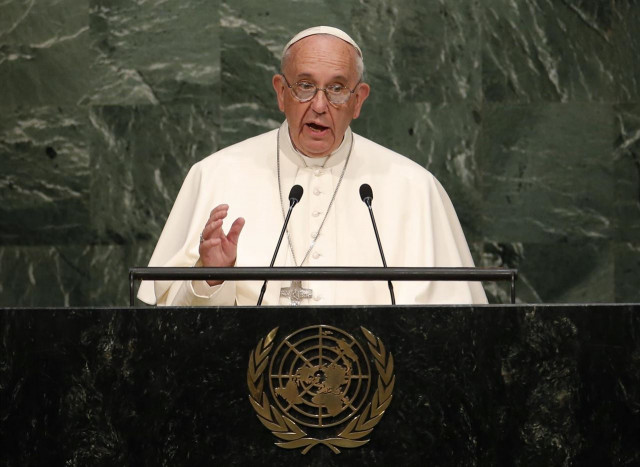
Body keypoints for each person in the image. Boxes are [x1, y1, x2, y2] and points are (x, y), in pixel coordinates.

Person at [137, 26, 488, 306]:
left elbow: (454, 331)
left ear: (358, 100)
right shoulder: (215, 174)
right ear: (280, 92)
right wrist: (210, 276)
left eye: (337, 89)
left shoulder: (415, 188)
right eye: (305, 86)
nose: (319, 105)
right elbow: (169, 335)